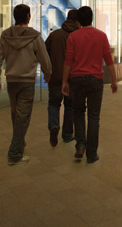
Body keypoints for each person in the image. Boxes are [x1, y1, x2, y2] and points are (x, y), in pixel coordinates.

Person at [0, 4, 52, 165]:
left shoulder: (6, 35)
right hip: (27, 81)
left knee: (16, 115)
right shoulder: (34, 36)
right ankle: (15, 154)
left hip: (11, 81)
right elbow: (44, 57)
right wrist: (48, 73)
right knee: (22, 117)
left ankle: (19, 142)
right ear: (28, 16)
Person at [62, 6, 117, 164]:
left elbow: (68, 61)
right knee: (93, 117)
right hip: (95, 80)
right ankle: (92, 154)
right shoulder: (101, 36)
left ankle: (80, 145)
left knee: (78, 112)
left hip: (76, 80)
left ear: (78, 21)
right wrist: (113, 80)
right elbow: (108, 60)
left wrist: (65, 81)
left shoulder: (73, 37)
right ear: (92, 18)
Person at [45, 9, 79, 147]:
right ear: (77, 21)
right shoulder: (78, 36)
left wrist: (47, 71)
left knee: (54, 104)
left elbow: (45, 53)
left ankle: (54, 126)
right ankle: (67, 134)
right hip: (72, 77)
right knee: (70, 106)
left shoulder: (55, 35)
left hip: (55, 76)